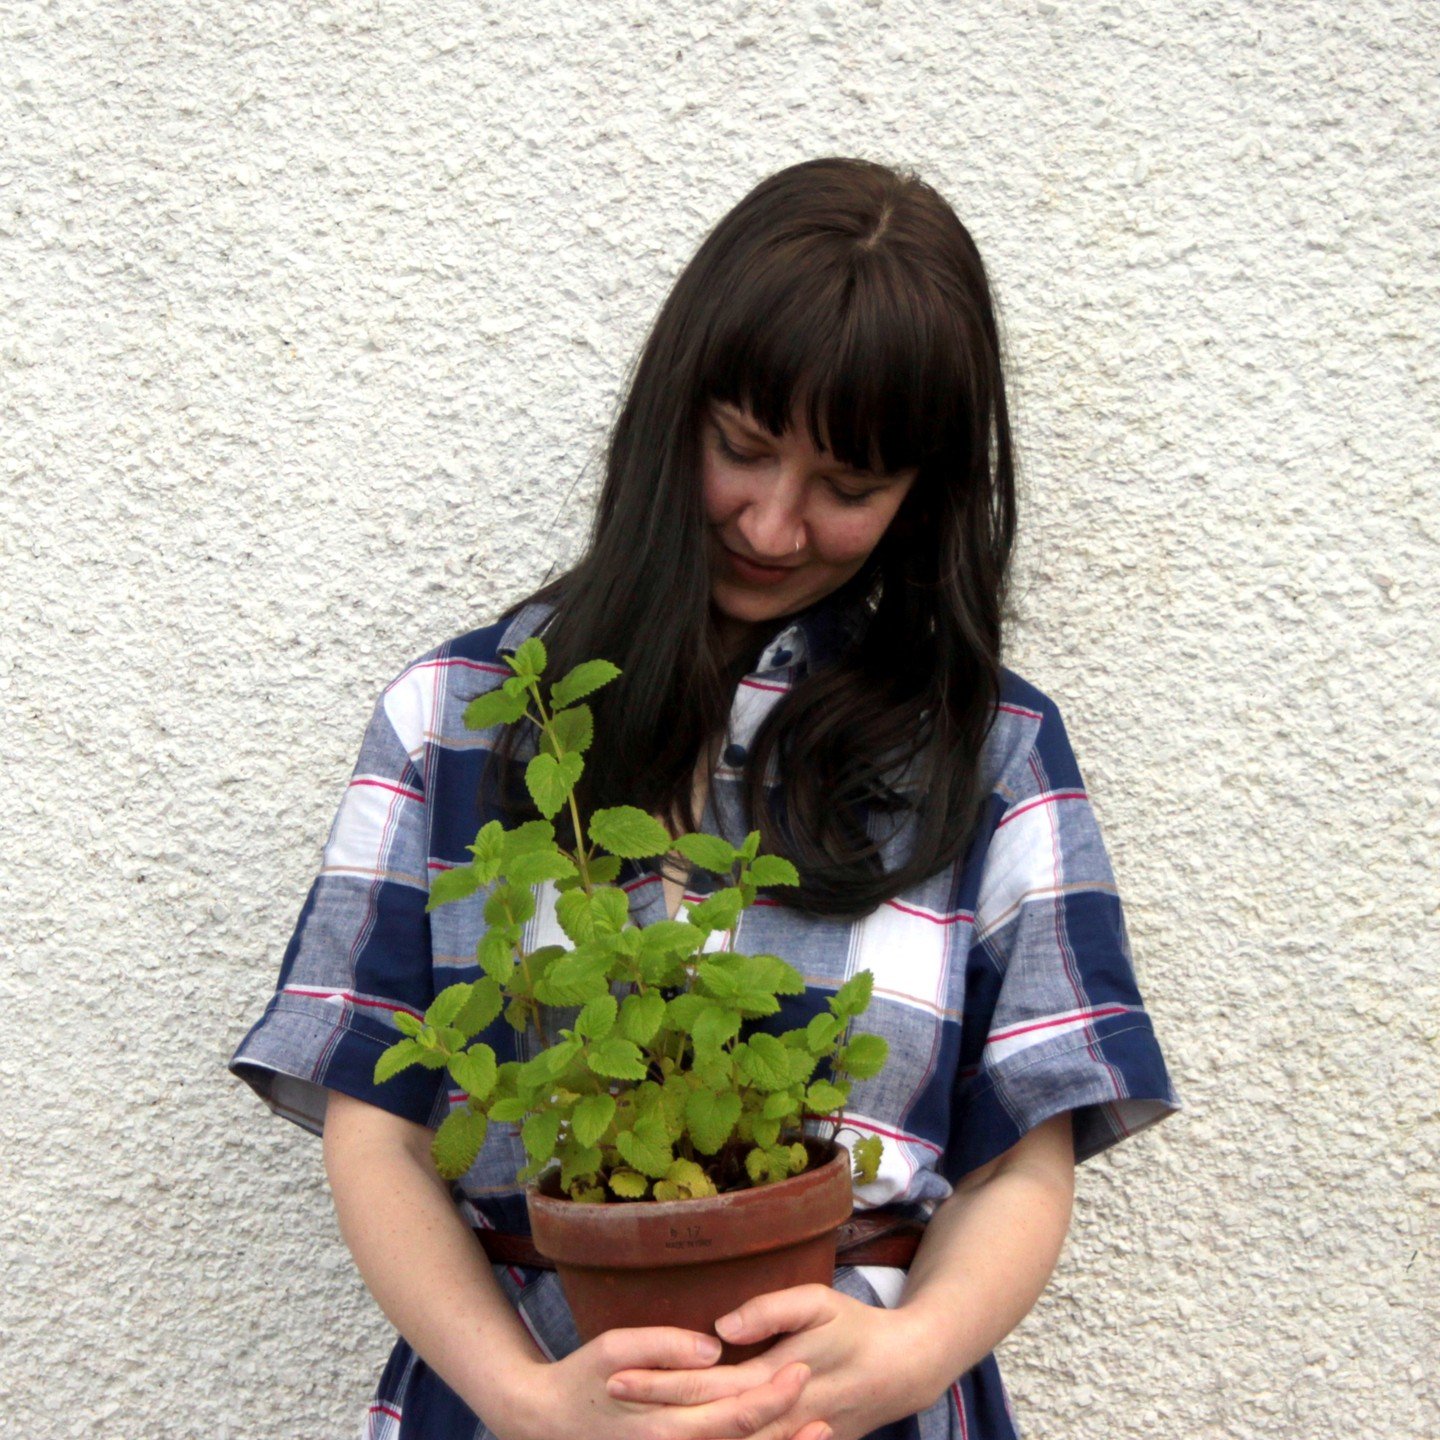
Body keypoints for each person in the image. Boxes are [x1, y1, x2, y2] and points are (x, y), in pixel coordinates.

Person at [229, 155, 1182, 1440]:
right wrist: (523, 1399)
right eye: (742, 449)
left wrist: (907, 1362)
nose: (776, 525)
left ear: (925, 499)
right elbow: (381, 1127)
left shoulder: (991, 751)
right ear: (675, 409)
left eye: (850, 489)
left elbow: (1024, 1153)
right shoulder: (457, 716)